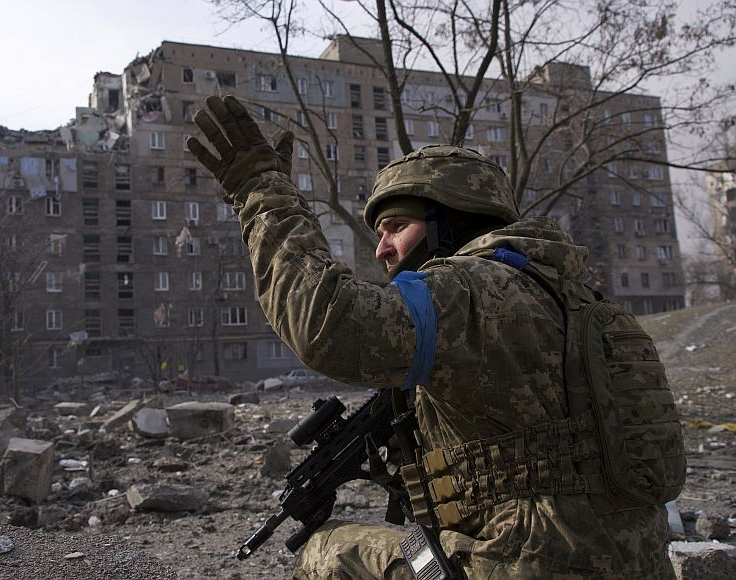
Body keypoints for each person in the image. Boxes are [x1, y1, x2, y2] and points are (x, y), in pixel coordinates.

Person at [188, 95, 681, 579]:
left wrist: (262, 192)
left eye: (396, 227)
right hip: (635, 563)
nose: (382, 249)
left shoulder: (468, 289)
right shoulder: (583, 301)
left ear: (451, 222)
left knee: (324, 552)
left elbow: (327, 324)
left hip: (524, 563)